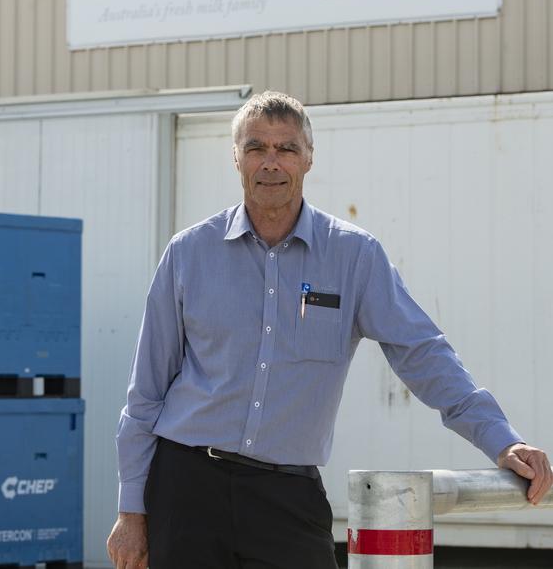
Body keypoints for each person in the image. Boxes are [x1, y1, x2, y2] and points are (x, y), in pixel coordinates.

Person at [107, 91, 552, 569]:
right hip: (187, 487)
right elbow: (146, 395)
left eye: (287, 149)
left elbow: (422, 353)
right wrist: (131, 510)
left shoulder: (354, 256)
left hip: (288, 494)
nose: (271, 163)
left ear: (309, 158)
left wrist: (501, 439)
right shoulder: (188, 253)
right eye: (256, 148)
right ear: (235, 156)